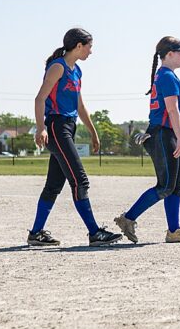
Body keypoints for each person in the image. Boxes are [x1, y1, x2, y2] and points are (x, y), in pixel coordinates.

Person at [28, 28, 121, 247]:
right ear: (78, 46)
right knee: (80, 181)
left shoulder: (76, 70)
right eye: (89, 46)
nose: (91, 51)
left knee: (53, 185)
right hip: (56, 126)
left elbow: (79, 104)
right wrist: (41, 128)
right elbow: (39, 98)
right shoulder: (58, 67)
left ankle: (36, 233)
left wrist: (92, 131)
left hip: (68, 127)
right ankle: (94, 232)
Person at [114, 36, 180, 244]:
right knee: (165, 186)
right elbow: (170, 110)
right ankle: (128, 218)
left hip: (166, 132)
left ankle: (174, 231)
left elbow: (174, 109)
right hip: (163, 134)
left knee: (176, 185)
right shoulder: (167, 76)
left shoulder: (167, 76)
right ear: (169, 54)